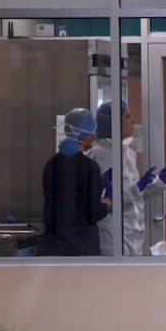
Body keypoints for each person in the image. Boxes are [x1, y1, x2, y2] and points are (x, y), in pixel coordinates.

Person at [86, 101, 166, 256]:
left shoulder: (127, 153)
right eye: (127, 116)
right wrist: (137, 187)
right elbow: (106, 200)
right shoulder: (100, 155)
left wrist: (157, 184)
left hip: (133, 232)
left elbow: (133, 195)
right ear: (114, 123)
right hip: (113, 233)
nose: (133, 120)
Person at [41, 107, 109, 256]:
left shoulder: (51, 164)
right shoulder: (89, 167)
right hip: (82, 247)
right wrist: (107, 201)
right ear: (88, 134)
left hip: (54, 246)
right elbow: (93, 213)